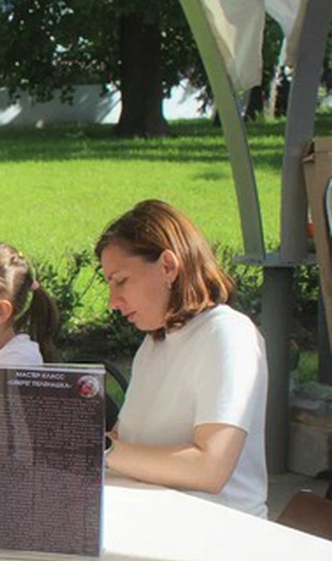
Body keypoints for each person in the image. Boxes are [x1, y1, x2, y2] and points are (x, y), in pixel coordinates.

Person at [96, 199, 267, 516]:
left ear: (168, 266)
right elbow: (126, 441)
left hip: (219, 536)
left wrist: (98, 449)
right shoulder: (154, 344)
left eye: (121, 280)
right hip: (158, 522)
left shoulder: (227, 334)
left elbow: (209, 467)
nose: (113, 301)